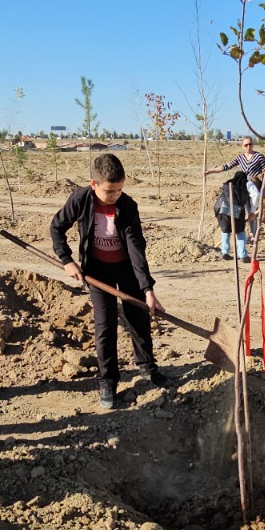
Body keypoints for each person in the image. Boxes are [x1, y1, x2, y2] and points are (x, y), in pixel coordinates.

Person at [51, 153, 171, 409]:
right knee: (105, 328)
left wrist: (147, 289)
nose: (115, 195)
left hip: (126, 269)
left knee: (138, 317)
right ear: (93, 184)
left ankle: (148, 367)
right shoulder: (80, 199)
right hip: (97, 271)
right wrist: (67, 260)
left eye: (119, 189)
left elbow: (136, 248)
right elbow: (56, 227)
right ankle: (108, 381)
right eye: (110, 191)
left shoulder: (127, 206)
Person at [202, 136, 265, 260]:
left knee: (252, 213)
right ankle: (236, 250)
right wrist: (210, 171)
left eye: (250, 144)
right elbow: (226, 166)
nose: (248, 147)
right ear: (242, 146)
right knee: (239, 222)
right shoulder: (240, 158)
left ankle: (253, 237)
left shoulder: (259, 157)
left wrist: (264, 184)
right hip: (242, 188)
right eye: (246, 145)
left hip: (253, 186)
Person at [212, 170, 251, 261]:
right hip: (236, 211)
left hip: (222, 210)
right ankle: (243, 255)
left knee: (226, 230)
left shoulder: (227, 185)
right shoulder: (245, 186)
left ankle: (225, 252)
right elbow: (254, 196)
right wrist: (252, 211)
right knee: (240, 232)